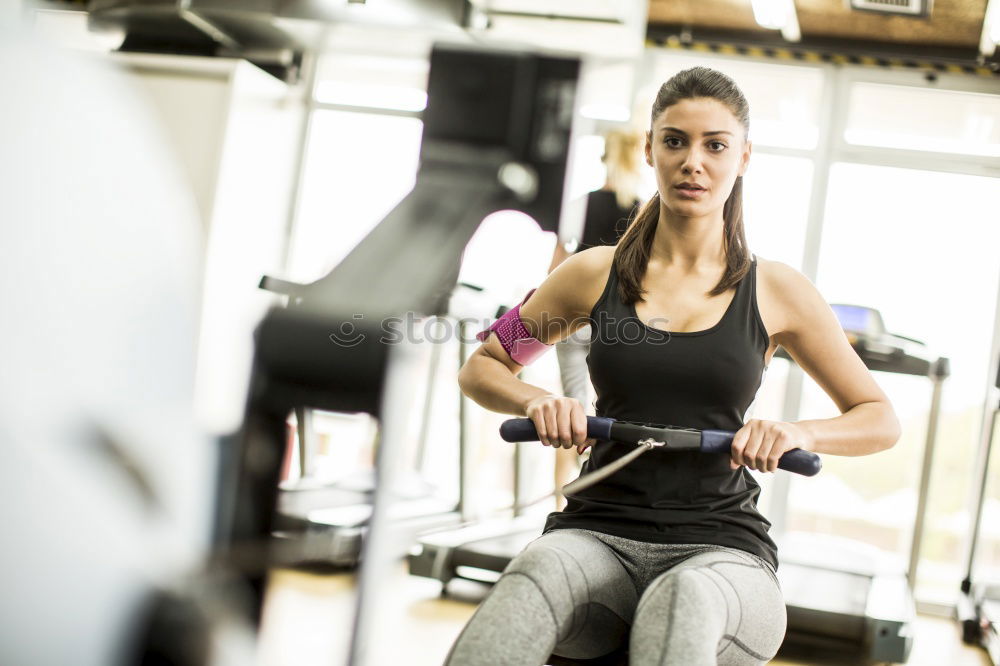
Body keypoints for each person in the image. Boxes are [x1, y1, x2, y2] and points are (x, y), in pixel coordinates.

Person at [447, 66, 901, 666]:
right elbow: (485, 363)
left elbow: (879, 418)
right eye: (675, 141)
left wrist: (798, 432)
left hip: (722, 549)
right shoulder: (589, 273)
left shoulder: (779, 290)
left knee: (682, 598)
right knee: (535, 574)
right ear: (650, 150)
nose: (694, 161)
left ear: (743, 159)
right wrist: (535, 401)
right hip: (596, 532)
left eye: (715, 145)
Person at [549, 128, 643, 508]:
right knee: (609, 415)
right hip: (617, 328)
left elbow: (554, 270)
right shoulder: (642, 211)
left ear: (603, 158)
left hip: (573, 323)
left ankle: (560, 505)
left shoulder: (579, 205)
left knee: (568, 419)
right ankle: (599, 499)